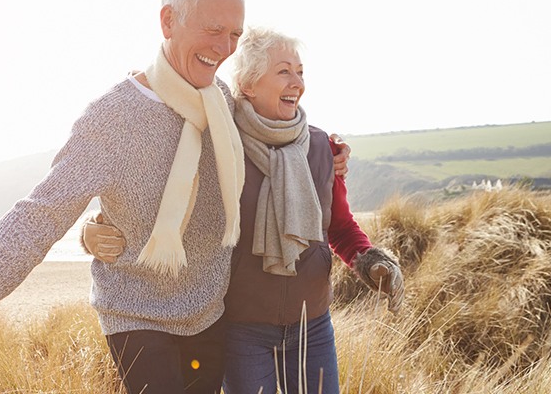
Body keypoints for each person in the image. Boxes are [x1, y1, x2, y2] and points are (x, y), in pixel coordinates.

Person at [0, 0, 248, 393]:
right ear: (168, 22)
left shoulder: (223, 103)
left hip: (209, 314)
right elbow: (39, 216)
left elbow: (275, 145)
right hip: (135, 316)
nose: (225, 49)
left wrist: (333, 154)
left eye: (235, 34)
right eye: (213, 30)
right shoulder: (112, 117)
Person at [81, 26, 404, 394]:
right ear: (249, 85)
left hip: (313, 324)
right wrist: (93, 228)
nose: (297, 82)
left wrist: (370, 259)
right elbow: (162, 204)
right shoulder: (218, 143)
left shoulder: (320, 147)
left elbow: (341, 227)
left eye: (301, 72)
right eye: (284, 71)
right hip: (242, 329)